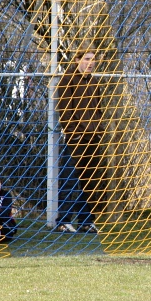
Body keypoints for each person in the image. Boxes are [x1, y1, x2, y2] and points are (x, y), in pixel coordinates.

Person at [55, 49, 105, 234]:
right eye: (87, 59)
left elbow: (98, 109)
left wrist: (99, 131)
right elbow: (64, 110)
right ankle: (63, 220)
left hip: (93, 139)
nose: (91, 62)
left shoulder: (94, 81)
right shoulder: (68, 79)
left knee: (90, 181)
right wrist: (74, 133)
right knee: (69, 179)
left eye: (93, 59)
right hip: (76, 139)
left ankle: (86, 220)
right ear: (77, 60)